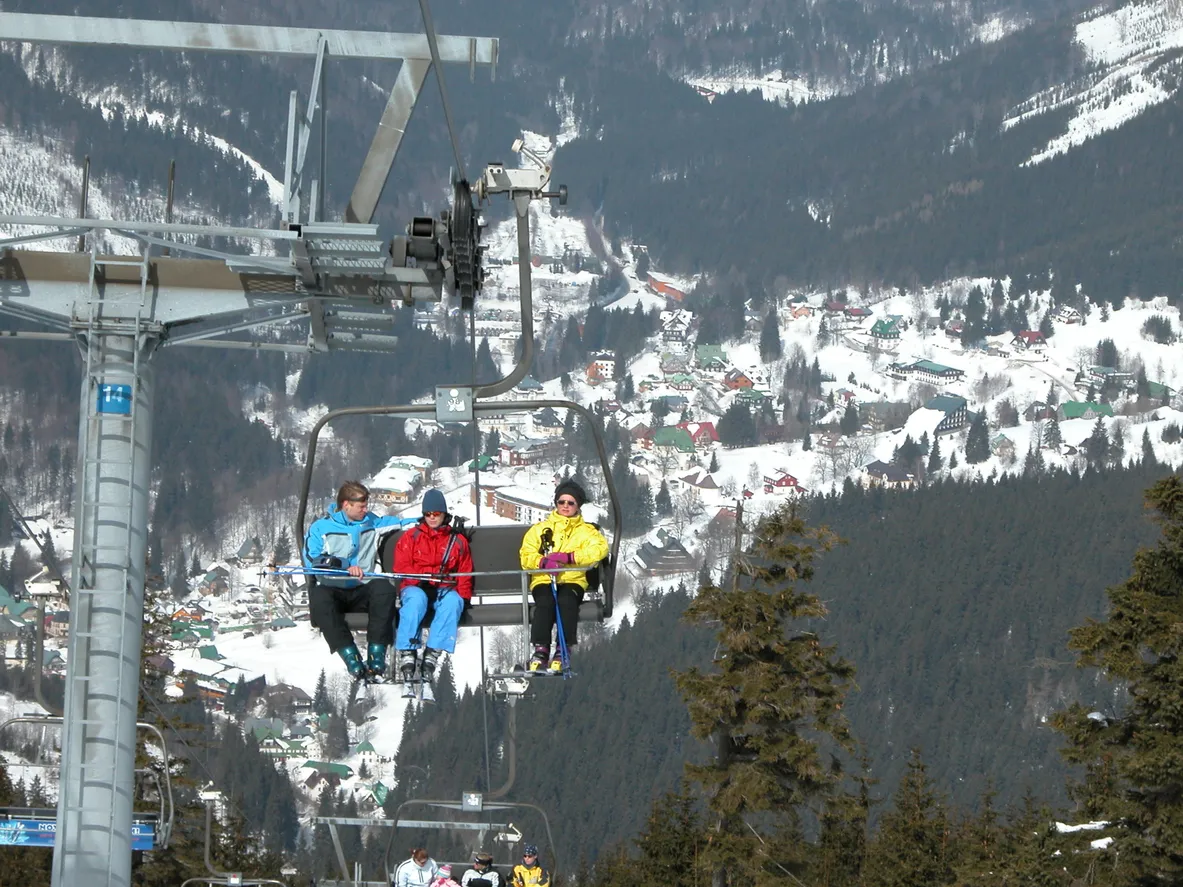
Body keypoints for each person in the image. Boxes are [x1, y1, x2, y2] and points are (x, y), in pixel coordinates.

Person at [304, 481, 416, 680]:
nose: (366, 510)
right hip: (334, 587)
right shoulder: (321, 528)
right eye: (361, 506)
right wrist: (344, 566)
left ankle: (377, 653)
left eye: (366, 506)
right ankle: (350, 656)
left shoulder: (371, 523)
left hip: (363, 587)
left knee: (384, 589)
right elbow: (313, 559)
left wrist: (429, 519)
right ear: (346, 504)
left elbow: (400, 523)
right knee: (319, 597)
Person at [518, 479, 609, 672]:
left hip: (572, 578)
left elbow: (599, 550)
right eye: (562, 502)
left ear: (578, 506)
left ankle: (563, 648)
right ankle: (541, 648)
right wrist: (543, 563)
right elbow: (526, 554)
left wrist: (570, 558)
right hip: (544, 578)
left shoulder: (587, 531)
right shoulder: (541, 529)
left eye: (570, 503)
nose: (565, 506)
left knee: (567, 602)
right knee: (546, 602)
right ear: (556, 503)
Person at [393, 488, 474, 689]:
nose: (432, 518)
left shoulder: (457, 541)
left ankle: (433, 652)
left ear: (444, 514)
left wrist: (464, 598)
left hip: (443, 588)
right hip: (416, 585)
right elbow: (401, 567)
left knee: (452, 602)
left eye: (436, 514)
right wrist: (427, 574)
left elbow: (465, 570)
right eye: (428, 514)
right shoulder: (411, 538)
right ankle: (408, 650)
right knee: (415, 602)